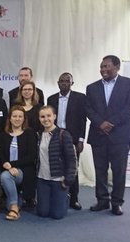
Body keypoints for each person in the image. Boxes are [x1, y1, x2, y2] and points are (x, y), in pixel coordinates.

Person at [86, 55, 130, 216]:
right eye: (101, 67)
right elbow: (88, 109)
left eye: (106, 66)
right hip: (98, 134)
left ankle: (117, 202)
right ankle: (102, 200)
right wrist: (100, 123)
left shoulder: (129, 84)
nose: (103, 70)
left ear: (117, 67)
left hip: (121, 135)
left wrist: (110, 123)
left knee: (119, 171)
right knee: (100, 170)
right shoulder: (92, 87)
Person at [47, 73, 87, 210]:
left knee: (72, 168)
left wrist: (81, 140)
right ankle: (58, 196)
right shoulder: (51, 99)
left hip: (73, 138)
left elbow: (83, 120)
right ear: (58, 83)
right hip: (56, 136)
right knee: (56, 167)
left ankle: (74, 199)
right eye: (61, 81)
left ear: (72, 83)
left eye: (67, 81)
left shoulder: (80, 98)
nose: (64, 83)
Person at [0, 105, 37, 220]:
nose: (17, 119)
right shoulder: (3, 135)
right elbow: (0, 154)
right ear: (10, 118)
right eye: (15, 116)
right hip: (7, 169)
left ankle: (14, 208)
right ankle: (16, 200)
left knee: (5, 176)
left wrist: (13, 165)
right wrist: (6, 165)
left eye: (20, 116)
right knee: (6, 175)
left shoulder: (30, 133)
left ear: (24, 119)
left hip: (24, 171)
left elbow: (31, 156)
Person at [36, 105, 77, 220]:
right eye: (42, 117)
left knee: (57, 215)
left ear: (54, 116)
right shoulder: (38, 135)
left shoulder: (63, 135)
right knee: (42, 212)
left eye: (49, 116)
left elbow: (71, 159)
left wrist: (68, 180)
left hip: (59, 180)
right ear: (39, 119)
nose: (46, 119)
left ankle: (65, 197)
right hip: (42, 179)